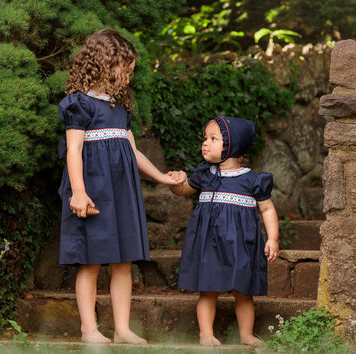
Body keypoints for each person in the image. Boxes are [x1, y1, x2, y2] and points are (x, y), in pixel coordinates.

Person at [57, 29, 183, 345]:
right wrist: (79, 192)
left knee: (122, 260)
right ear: (102, 64)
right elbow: (73, 150)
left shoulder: (121, 107)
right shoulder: (79, 104)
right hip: (91, 190)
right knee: (90, 260)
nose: (128, 75)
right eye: (124, 68)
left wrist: (161, 177)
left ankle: (123, 329)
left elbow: (133, 151)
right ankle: (89, 330)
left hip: (122, 191)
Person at [169, 116, 279, 346]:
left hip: (242, 244)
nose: (205, 143)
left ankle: (246, 334)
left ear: (233, 145)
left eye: (213, 139)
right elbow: (183, 190)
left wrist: (273, 238)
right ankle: (206, 334)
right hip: (209, 243)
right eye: (205, 138)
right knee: (207, 290)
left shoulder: (251, 180)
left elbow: (267, 209)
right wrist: (175, 183)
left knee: (243, 292)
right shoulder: (204, 175)